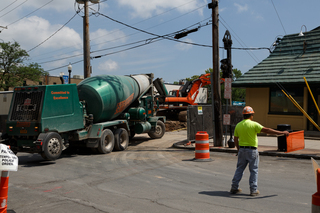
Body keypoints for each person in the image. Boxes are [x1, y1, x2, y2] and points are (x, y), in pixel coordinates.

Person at [230, 106, 290, 196]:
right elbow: (267, 130)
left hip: (242, 150)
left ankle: (234, 187)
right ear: (251, 115)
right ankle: (253, 190)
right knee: (253, 170)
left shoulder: (238, 125)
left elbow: (235, 139)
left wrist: (239, 149)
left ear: (244, 115)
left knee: (239, 169)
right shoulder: (254, 124)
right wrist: (281, 133)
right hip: (252, 151)